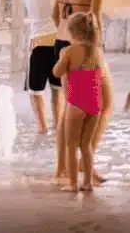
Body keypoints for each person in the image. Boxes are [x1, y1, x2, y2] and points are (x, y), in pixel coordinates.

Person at [52, 0, 111, 183]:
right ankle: (86, 162)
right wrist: (95, 51)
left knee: (69, 107)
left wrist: (68, 37)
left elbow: (55, 15)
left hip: (63, 42)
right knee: (104, 104)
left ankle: (62, 168)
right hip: (87, 46)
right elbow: (94, 18)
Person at [52, 12, 104, 193]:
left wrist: (61, 60)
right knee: (86, 145)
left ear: (72, 32)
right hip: (95, 104)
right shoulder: (97, 52)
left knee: (71, 145)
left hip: (76, 102)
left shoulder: (68, 51)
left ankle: (73, 184)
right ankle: (87, 183)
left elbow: (57, 73)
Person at [19, 0, 61, 134]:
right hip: (56, 41)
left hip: (37, 42)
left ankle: (42, 129)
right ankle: (58, 126)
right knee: (57, 89)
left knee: (35, 91)